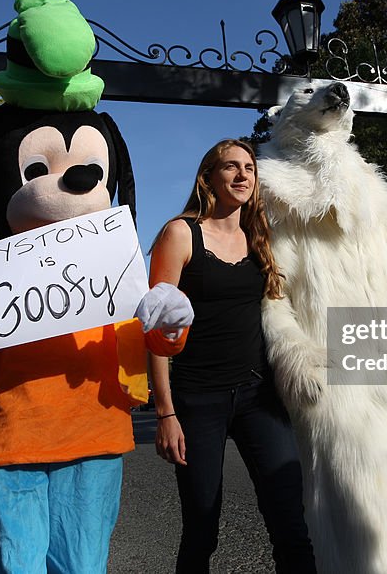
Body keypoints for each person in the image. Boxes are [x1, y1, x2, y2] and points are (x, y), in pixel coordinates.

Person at [148, 139, 316, 573]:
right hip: (197, 398)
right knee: (202, 527)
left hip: (258, 396)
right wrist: (165, 413)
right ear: (209, 177)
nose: (242, 175)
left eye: (249, 167)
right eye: (230, 167)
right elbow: (155, 328)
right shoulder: (181, 233)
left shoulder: (261, 236)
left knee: (290, 521)